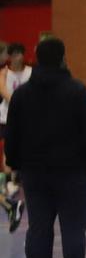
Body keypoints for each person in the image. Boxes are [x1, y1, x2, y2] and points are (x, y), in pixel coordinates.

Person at [4, 37, 86, 258]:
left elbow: (11, 134)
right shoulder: (77, 91)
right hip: (72, 172)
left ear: (35, 59)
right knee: (73, 229)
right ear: (63, 58)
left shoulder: (22, 95)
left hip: (34, 174)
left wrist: (14, 165)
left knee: (38, 228)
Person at [1, 42, 31, 231]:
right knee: (7, 154)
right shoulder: (4, 74)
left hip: (24, 120)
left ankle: (12, 190)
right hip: (5, 118)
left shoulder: (30, 73)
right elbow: (4, 92)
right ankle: (10, 195)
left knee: (13, 154)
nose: (15, 57)